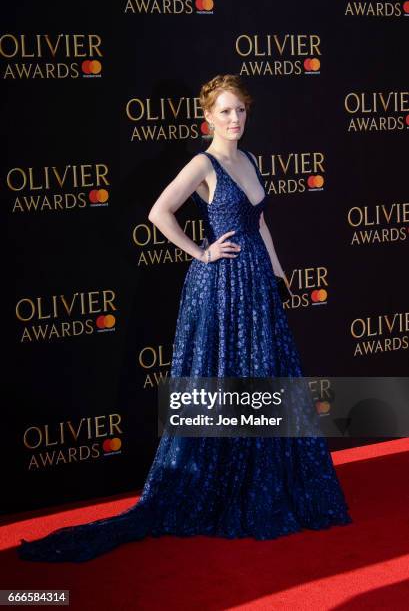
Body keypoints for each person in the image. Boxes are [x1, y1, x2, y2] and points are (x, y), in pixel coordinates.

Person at [18, 74, 352, 563]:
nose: (235, 119)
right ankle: (224, 483)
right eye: (226, 112)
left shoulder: (251, 159)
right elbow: (159, 212)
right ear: (208, 118)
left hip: (257, 286)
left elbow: (260, 223)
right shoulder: (204, 162)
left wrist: (280, 275)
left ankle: (265, 480)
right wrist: (201, 252)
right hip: (221, 288)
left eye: (241, 111)